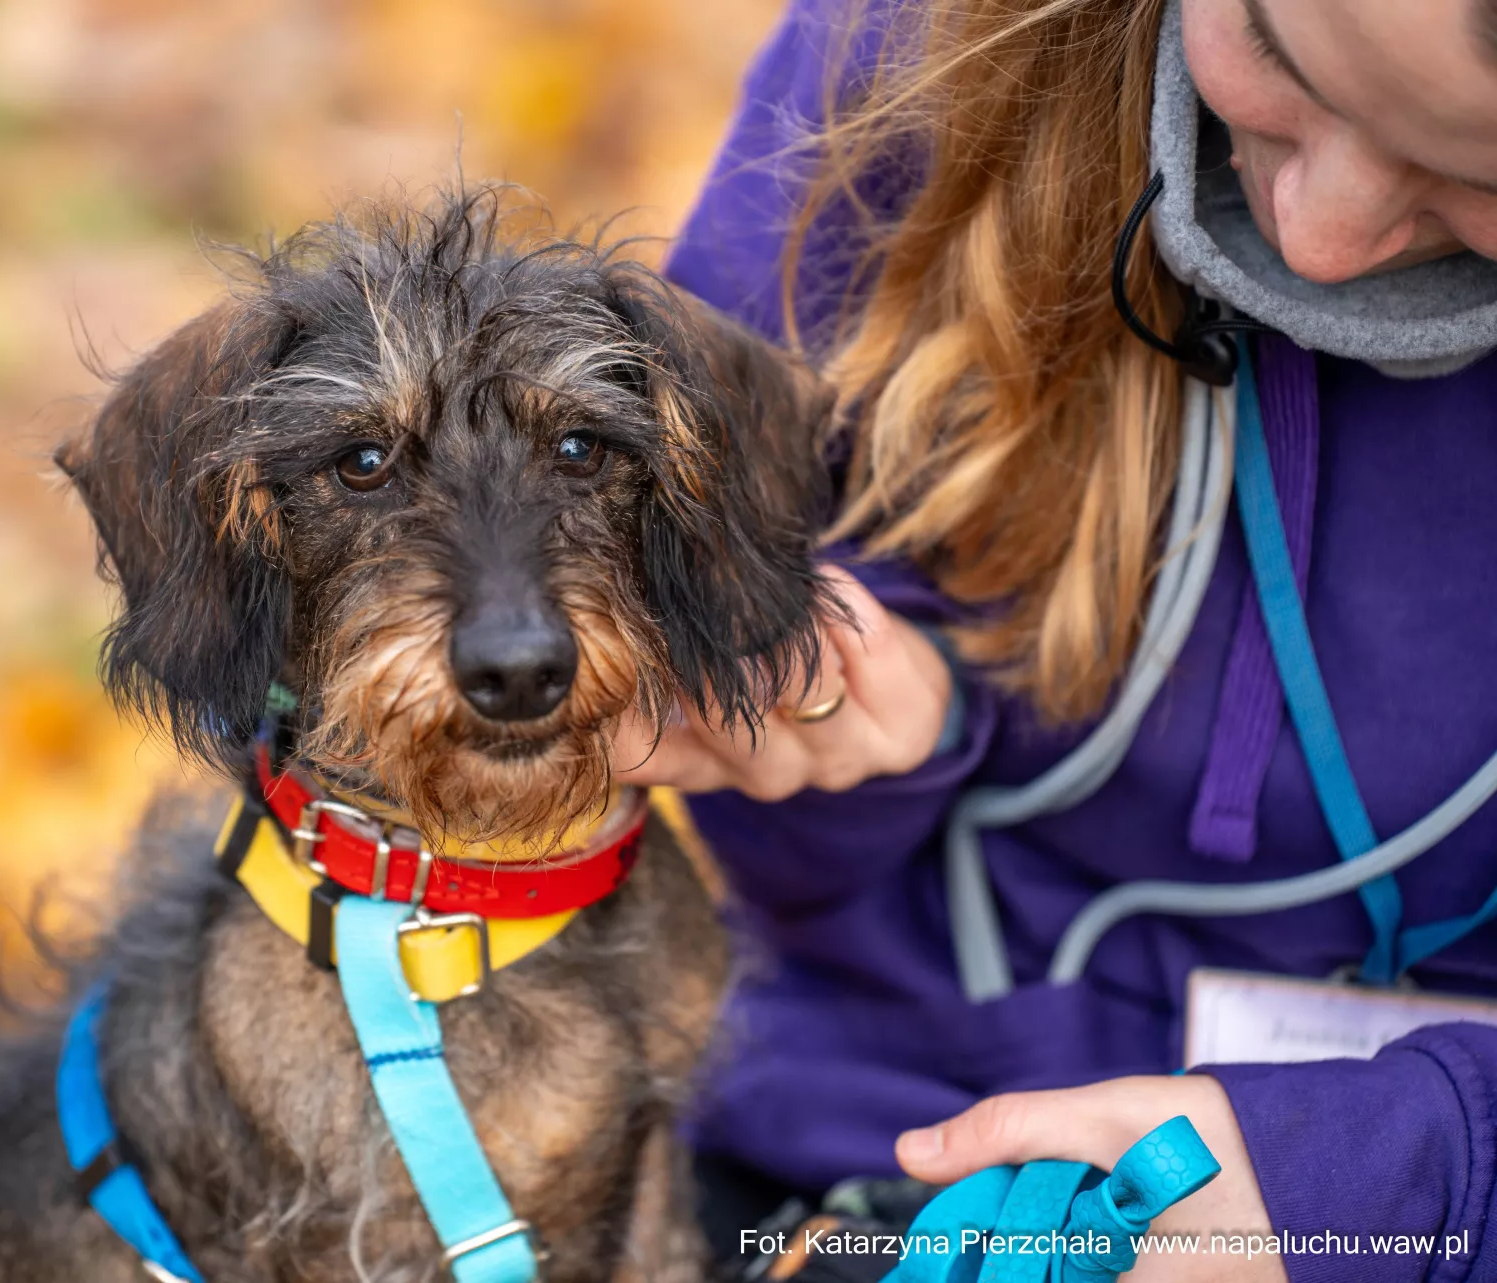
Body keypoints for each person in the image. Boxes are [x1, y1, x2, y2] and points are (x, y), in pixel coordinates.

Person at [610, 0, 1497, 1279]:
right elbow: (747, 823)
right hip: (863, 1154)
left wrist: (1391, 1184)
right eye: (1275, 56)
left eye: (1473, 178)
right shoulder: (926, 49)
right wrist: (893, 719)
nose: (1319, 237)